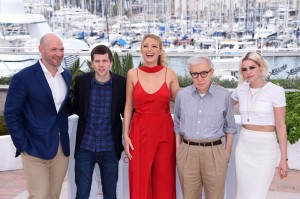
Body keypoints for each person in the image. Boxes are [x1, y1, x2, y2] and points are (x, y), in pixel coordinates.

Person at [4, 33, 71, 198]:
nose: (59, 53)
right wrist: (23, 145)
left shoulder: (66, 75)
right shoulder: (23, 78)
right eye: (53, 49)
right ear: (41, 50)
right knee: (39, 195)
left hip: (61, 148)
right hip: (34, 147)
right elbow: (11, 114)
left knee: (54, 195)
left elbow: (63, 110)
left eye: (61, 49)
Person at [124, 34, 180, 199]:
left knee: (164, 181)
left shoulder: (170, 74)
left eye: (154, 46)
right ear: (141, 49)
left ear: (160, 51)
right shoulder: (132, 74)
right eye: (146, 46)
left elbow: (182, 103)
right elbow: (128, 106)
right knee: (140, 180)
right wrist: (125, 135)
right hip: (139, 133)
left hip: (165, 133)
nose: (150, 49)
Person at [174, 55, 237, 199]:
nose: (200, 79)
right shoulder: (182, 96)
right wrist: (179, 150)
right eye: (195, 74)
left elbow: (230, 126)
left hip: (214, 153)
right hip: (187, 152)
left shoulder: (224, 95)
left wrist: (226, 153)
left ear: (211, 72)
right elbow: (177, 124)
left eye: (204, 73)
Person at [231, 51, 288, 199]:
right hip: (244, 146)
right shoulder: (241, 89)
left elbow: (281, 126)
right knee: (242, 193)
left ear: (261, 67)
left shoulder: (276, 91)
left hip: (265, 148)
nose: (248, 72)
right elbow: (222, 104)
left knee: (257, 194)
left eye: (252, 67)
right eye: (244, 69)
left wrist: (283, 159)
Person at [73, 45, 126, 199]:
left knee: (110, 195)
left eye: (104, 61)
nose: (101, 65)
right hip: (85, 148)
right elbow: (75, 107)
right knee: (81, 194)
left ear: (111, 63)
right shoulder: (81, 81)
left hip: (110, 149)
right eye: (97, 61)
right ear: (92, 63)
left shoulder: (121, 83)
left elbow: (126, 111)